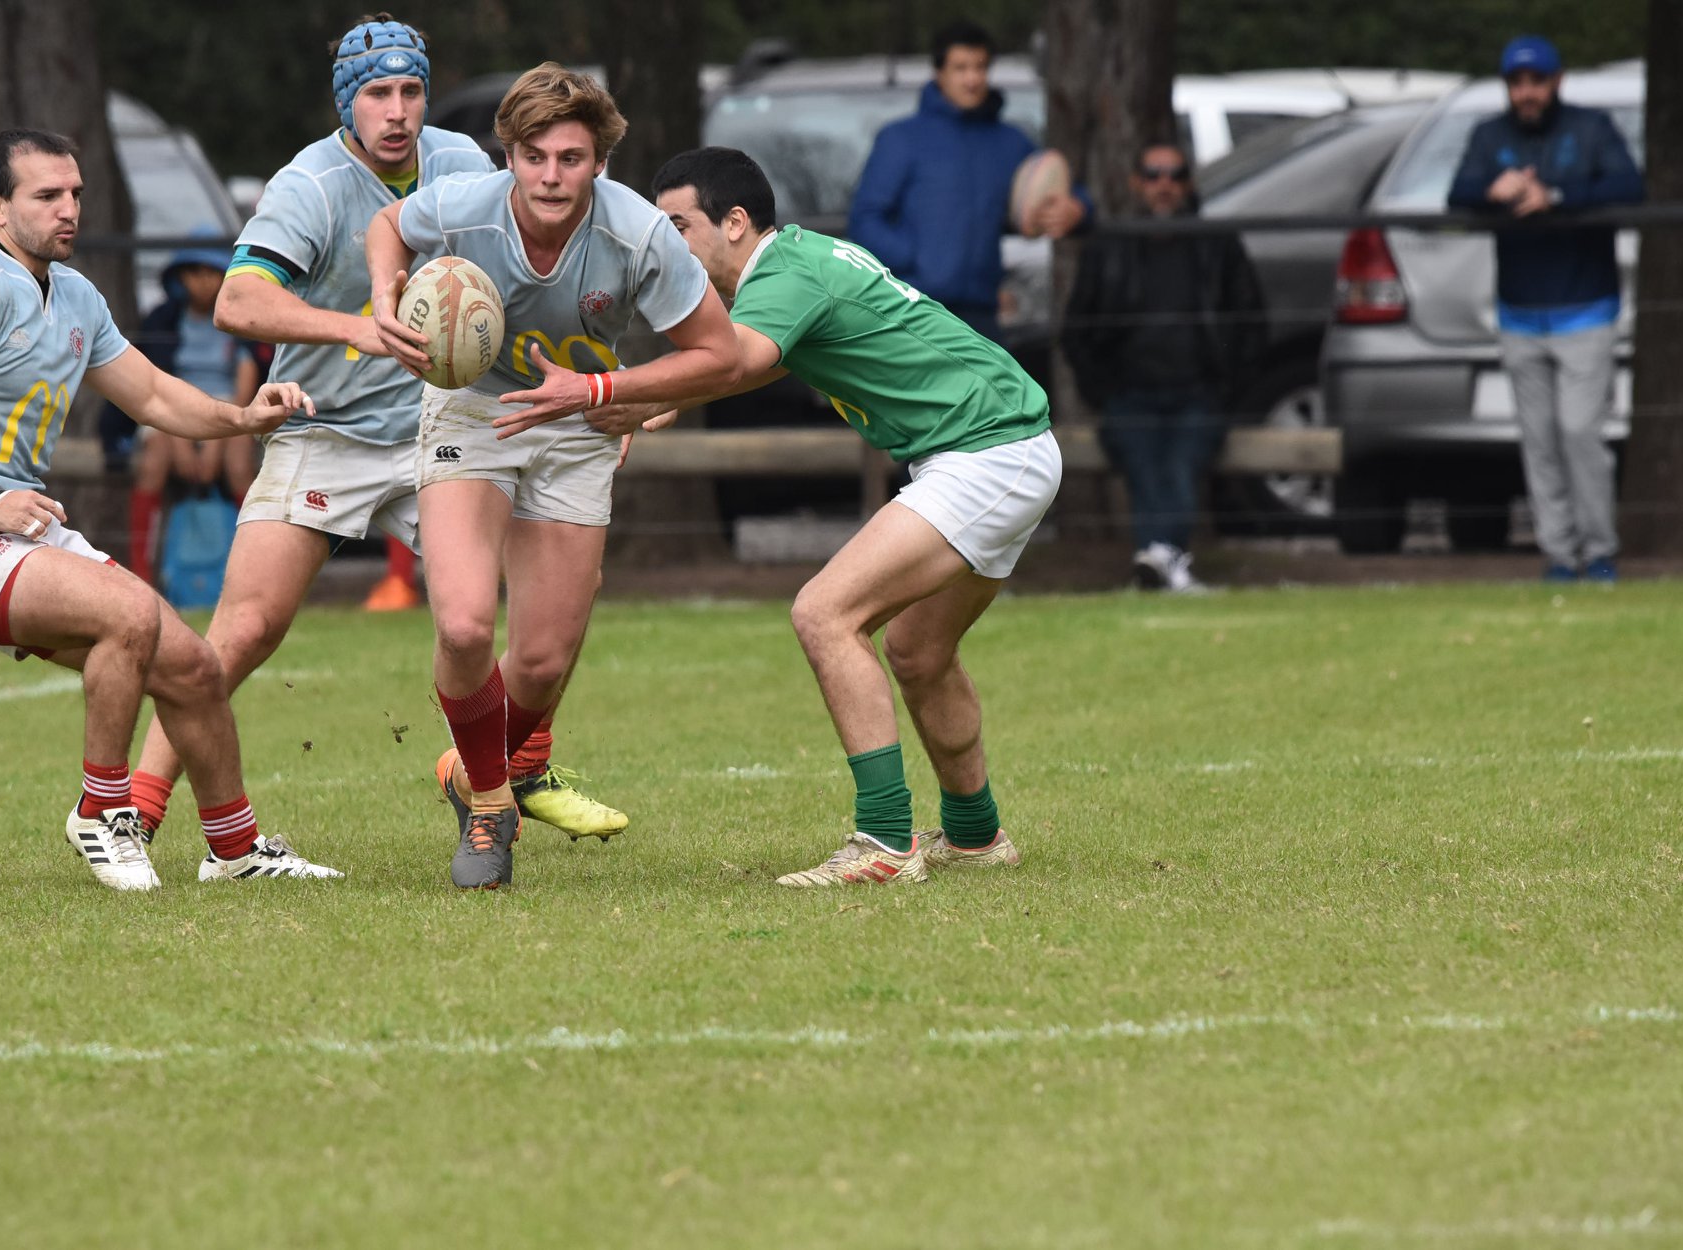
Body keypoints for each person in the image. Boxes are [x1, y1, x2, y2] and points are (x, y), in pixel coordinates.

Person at [124, 16, 638, 844]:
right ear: (345, 104)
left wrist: (588, 399)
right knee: (246, 627)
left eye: (410, 91)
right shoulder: (310, 185)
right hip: (329, 430)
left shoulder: (465, 161)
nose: (397, 111)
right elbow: (236, 302)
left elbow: (532, 289)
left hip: (455, 426)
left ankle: (515, 763)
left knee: (562, 586)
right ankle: (136, 809)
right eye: (376, 94)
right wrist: (354, 326)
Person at [499, 146, 1059, 887]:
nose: (665, 243)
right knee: (920, 652)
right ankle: (976, 836)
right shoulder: (793, 263)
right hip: (1004, 447)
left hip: (989, 453)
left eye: (678, 225)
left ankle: (885, 844)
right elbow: (755, 358)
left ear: (735, 223)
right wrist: (657, 398)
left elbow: (734, 362)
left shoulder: (783, 274)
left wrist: (601, 390)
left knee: (825, 614)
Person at [0, 128, 342, 889]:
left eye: (76, 194)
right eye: (46, 196)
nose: (69, 210)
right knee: (129, 615)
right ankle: (102, 811)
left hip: (20, 533)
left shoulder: (77, 294)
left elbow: (152, 395)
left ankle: (234, 850)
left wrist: (244, 417)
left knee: (192, 667)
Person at [366, 64, 743, 889]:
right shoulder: (467, 204)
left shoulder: (639, 234)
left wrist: (614, 395)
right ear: (508, 155)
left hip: (577, 429)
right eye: (534, 156)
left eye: (570, 158)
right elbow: (391, 222)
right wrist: (383, 293)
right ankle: (493, 808)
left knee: (540, 662)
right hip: (473, 415)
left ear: (598, 162)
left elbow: (721, 355)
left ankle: (468, 772)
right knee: (465, 628)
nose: (550, 175)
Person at [1448, 35, 1644, 583]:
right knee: (1540, 442)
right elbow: (1455, 193)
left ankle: (1600, 550)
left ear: (1557, 81)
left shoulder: (1591, 129)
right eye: (1517, 83)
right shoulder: (1490, 137)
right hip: (1520, 313)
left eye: (1536, 81)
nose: (1527, 92)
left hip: (1586, 308)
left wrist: (1556, 197)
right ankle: (1560, 555)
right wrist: (1495, 189)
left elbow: (1629, 185)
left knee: (1580, 432)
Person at [1060, 141, 1263, 592]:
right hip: (1129, 392)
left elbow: (1249, 321)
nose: (1164, 185)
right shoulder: (1108, 247)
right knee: (1145, 463)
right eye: (1153, 175)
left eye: (1174, 175)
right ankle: (1166, 561)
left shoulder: (1216, 246)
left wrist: (1228, 388)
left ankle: (1154, 560)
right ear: (1137, 183)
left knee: (1180, 464)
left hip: (1199, 392)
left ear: (1188, 183)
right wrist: (1101, 390)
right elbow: (1077, 330)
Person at [847, 19, 1089, 341]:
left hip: (981, 314)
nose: (973, 79)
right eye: (961, 68)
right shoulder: (901, 139)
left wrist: (1078, 209)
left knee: (980, 393)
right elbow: (865, 220)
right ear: (939, 73)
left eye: (980, 67)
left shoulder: (1009, 142)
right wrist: (920, 262)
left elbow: (1064, 192)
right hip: (909, 308)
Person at [124, 240, 260, 585]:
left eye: (213, 273)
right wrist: (180, 435)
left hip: (229, 407)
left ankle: (252, 569)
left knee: (239, 463)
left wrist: (221, 430)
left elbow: (246, 382)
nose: (204, 282)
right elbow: (154, 382)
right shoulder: (164, 321)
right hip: (172, 406)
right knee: (153, 460)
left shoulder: (240, 317)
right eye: (194, 273)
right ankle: (141, 569)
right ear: (180, 278)